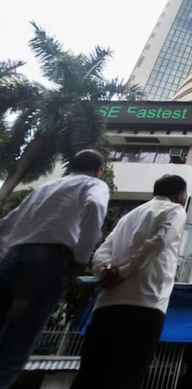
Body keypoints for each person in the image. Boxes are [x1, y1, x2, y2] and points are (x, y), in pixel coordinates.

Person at [0, 150, 109, 389]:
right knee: (16, 340)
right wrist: (81, 259)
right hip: (49, 261)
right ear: (99, 170)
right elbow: (95, 206)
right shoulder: (95, 185)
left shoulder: (47, 188)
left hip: (13, 257)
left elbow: (7, 224)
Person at [71, 175, 188, 389]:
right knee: (126, 376)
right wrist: (123, 272)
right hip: (145, 304)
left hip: (106, 305)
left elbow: (101, 252)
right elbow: (160, 241)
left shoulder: (129, 216)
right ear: (180, 193)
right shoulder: (176, 210)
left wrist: (105, 272)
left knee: (89, 376)